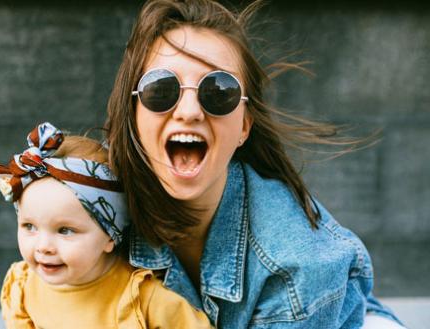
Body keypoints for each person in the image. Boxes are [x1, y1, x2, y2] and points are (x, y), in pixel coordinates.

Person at [104, 0, 405, 328]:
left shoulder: (296, 266)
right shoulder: (93, 198)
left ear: (244, 126)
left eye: (219, 91)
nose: (188, 111)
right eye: (161, 89)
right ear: (133, 113)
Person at [0, 122, 213, 329]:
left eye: (65, 230)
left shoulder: (141, 297)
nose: (43, 246)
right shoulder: (23, 286)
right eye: (29, 226)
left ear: (110, 236)